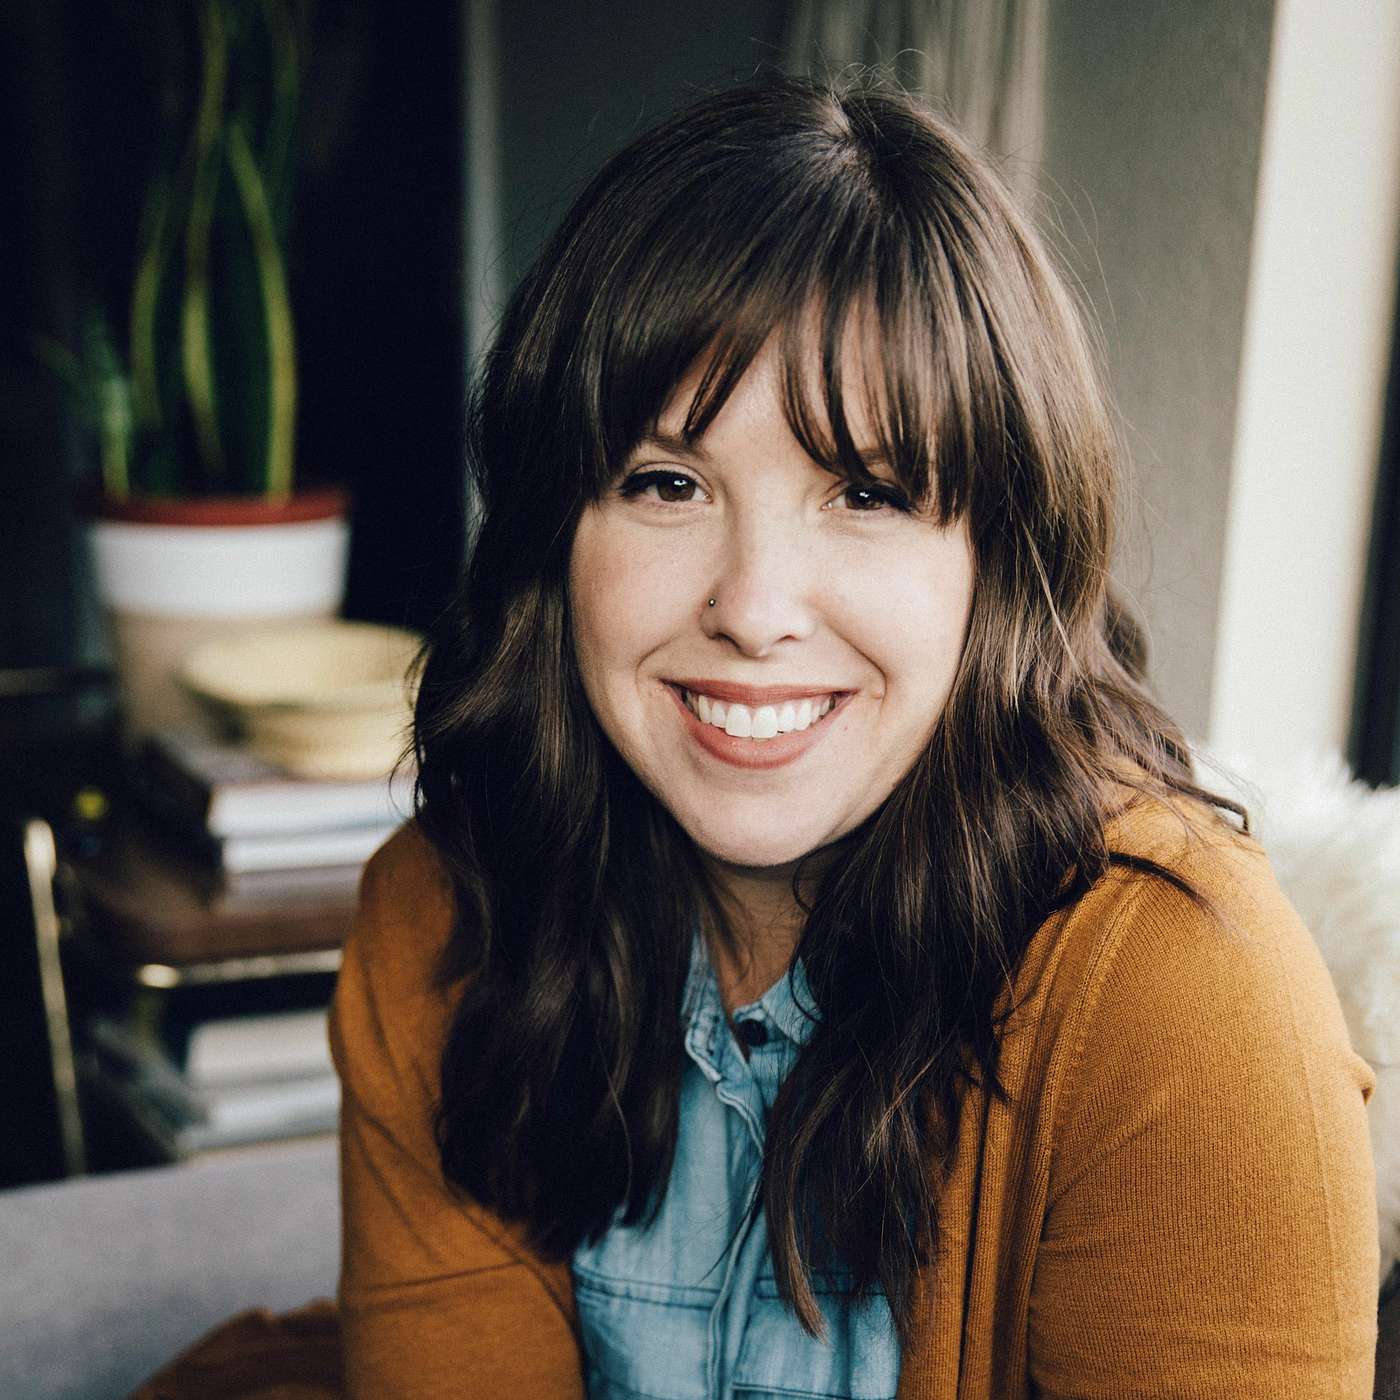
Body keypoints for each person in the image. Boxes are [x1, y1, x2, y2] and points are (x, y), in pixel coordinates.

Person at [329, 75, 1379, 1399]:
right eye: (667, 483)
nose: (753, 609)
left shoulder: (1188, 1003)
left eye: (867, 493)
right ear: (556, 538)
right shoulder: (447, 914)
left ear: (996, 559)